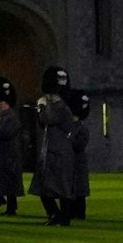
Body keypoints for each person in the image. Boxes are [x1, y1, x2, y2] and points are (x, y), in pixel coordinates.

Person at [29, 65, 77, 227]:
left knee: (62, 187)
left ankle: (64, 218)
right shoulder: (56, 106)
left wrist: (43, 106)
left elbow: (49, 119)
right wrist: (40, 109)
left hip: (60, 152)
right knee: (43, 187)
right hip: (49, 150)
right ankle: (54, 214)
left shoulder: (62, 108)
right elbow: (44, 124)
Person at [0, 76, 24, 216]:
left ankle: (11, 208)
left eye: (0, 102)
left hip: (9, 153)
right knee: (0, 180)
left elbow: (6, 133)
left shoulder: (11, 117)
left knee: (10, 183)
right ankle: (1, 202)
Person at [68, 89, 93, 220]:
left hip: (78, 161)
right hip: (69, 160)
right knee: (71, 188)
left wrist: (68, 138)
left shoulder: (81, 128)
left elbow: (80, 145)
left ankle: (80, 213)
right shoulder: (69, 126)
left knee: (79, 191)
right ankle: (72, 212)